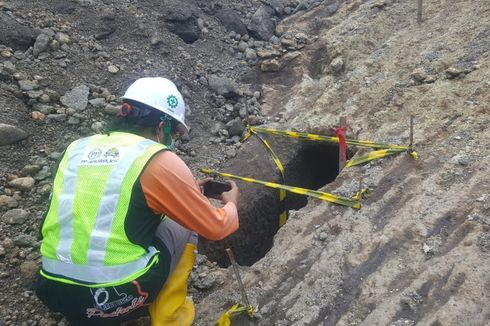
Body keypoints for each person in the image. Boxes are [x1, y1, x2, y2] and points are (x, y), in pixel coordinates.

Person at [36, 77, 240, 325]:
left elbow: (103, 201)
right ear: (162, 126)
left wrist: (179, 195)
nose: (172, 139)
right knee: (186, 225)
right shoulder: (156, 157)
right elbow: (216, 227)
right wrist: (231, 204)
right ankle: (170, 318)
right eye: (173, 132)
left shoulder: (76, 148)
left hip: (53, 290)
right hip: (114, 297)